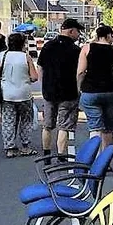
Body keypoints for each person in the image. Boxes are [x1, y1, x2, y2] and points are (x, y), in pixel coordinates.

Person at [38, 18, 84, 162]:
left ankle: (46, 155)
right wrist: (79, 89)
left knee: (47, 125)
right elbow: (80, 72)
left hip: (49, 92)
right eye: (77, 31)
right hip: (68, 92)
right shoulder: (76, 50)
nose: (78, 34)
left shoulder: (47, 47)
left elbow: (41, 68)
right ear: (71, 31)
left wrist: (44, 84)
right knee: (64, 126)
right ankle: (61, 156)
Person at [77, 25, 113, 152]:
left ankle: (93, 158)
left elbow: (81, 72)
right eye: (112, 36)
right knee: (108, 128)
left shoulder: (86, 48)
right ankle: (105, 161)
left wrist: (79, 88)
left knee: (95, 127)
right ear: (108, 35)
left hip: (90, 91)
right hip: (111, 91)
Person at [0, 32, 39, 158]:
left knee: (8, 121)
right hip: (24, 94)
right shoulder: (26, 57)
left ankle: (10, 148)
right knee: (26, 121)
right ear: (23, 44)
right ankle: (25, 146)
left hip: (7, 95)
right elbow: (35, 77)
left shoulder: (2, 55)